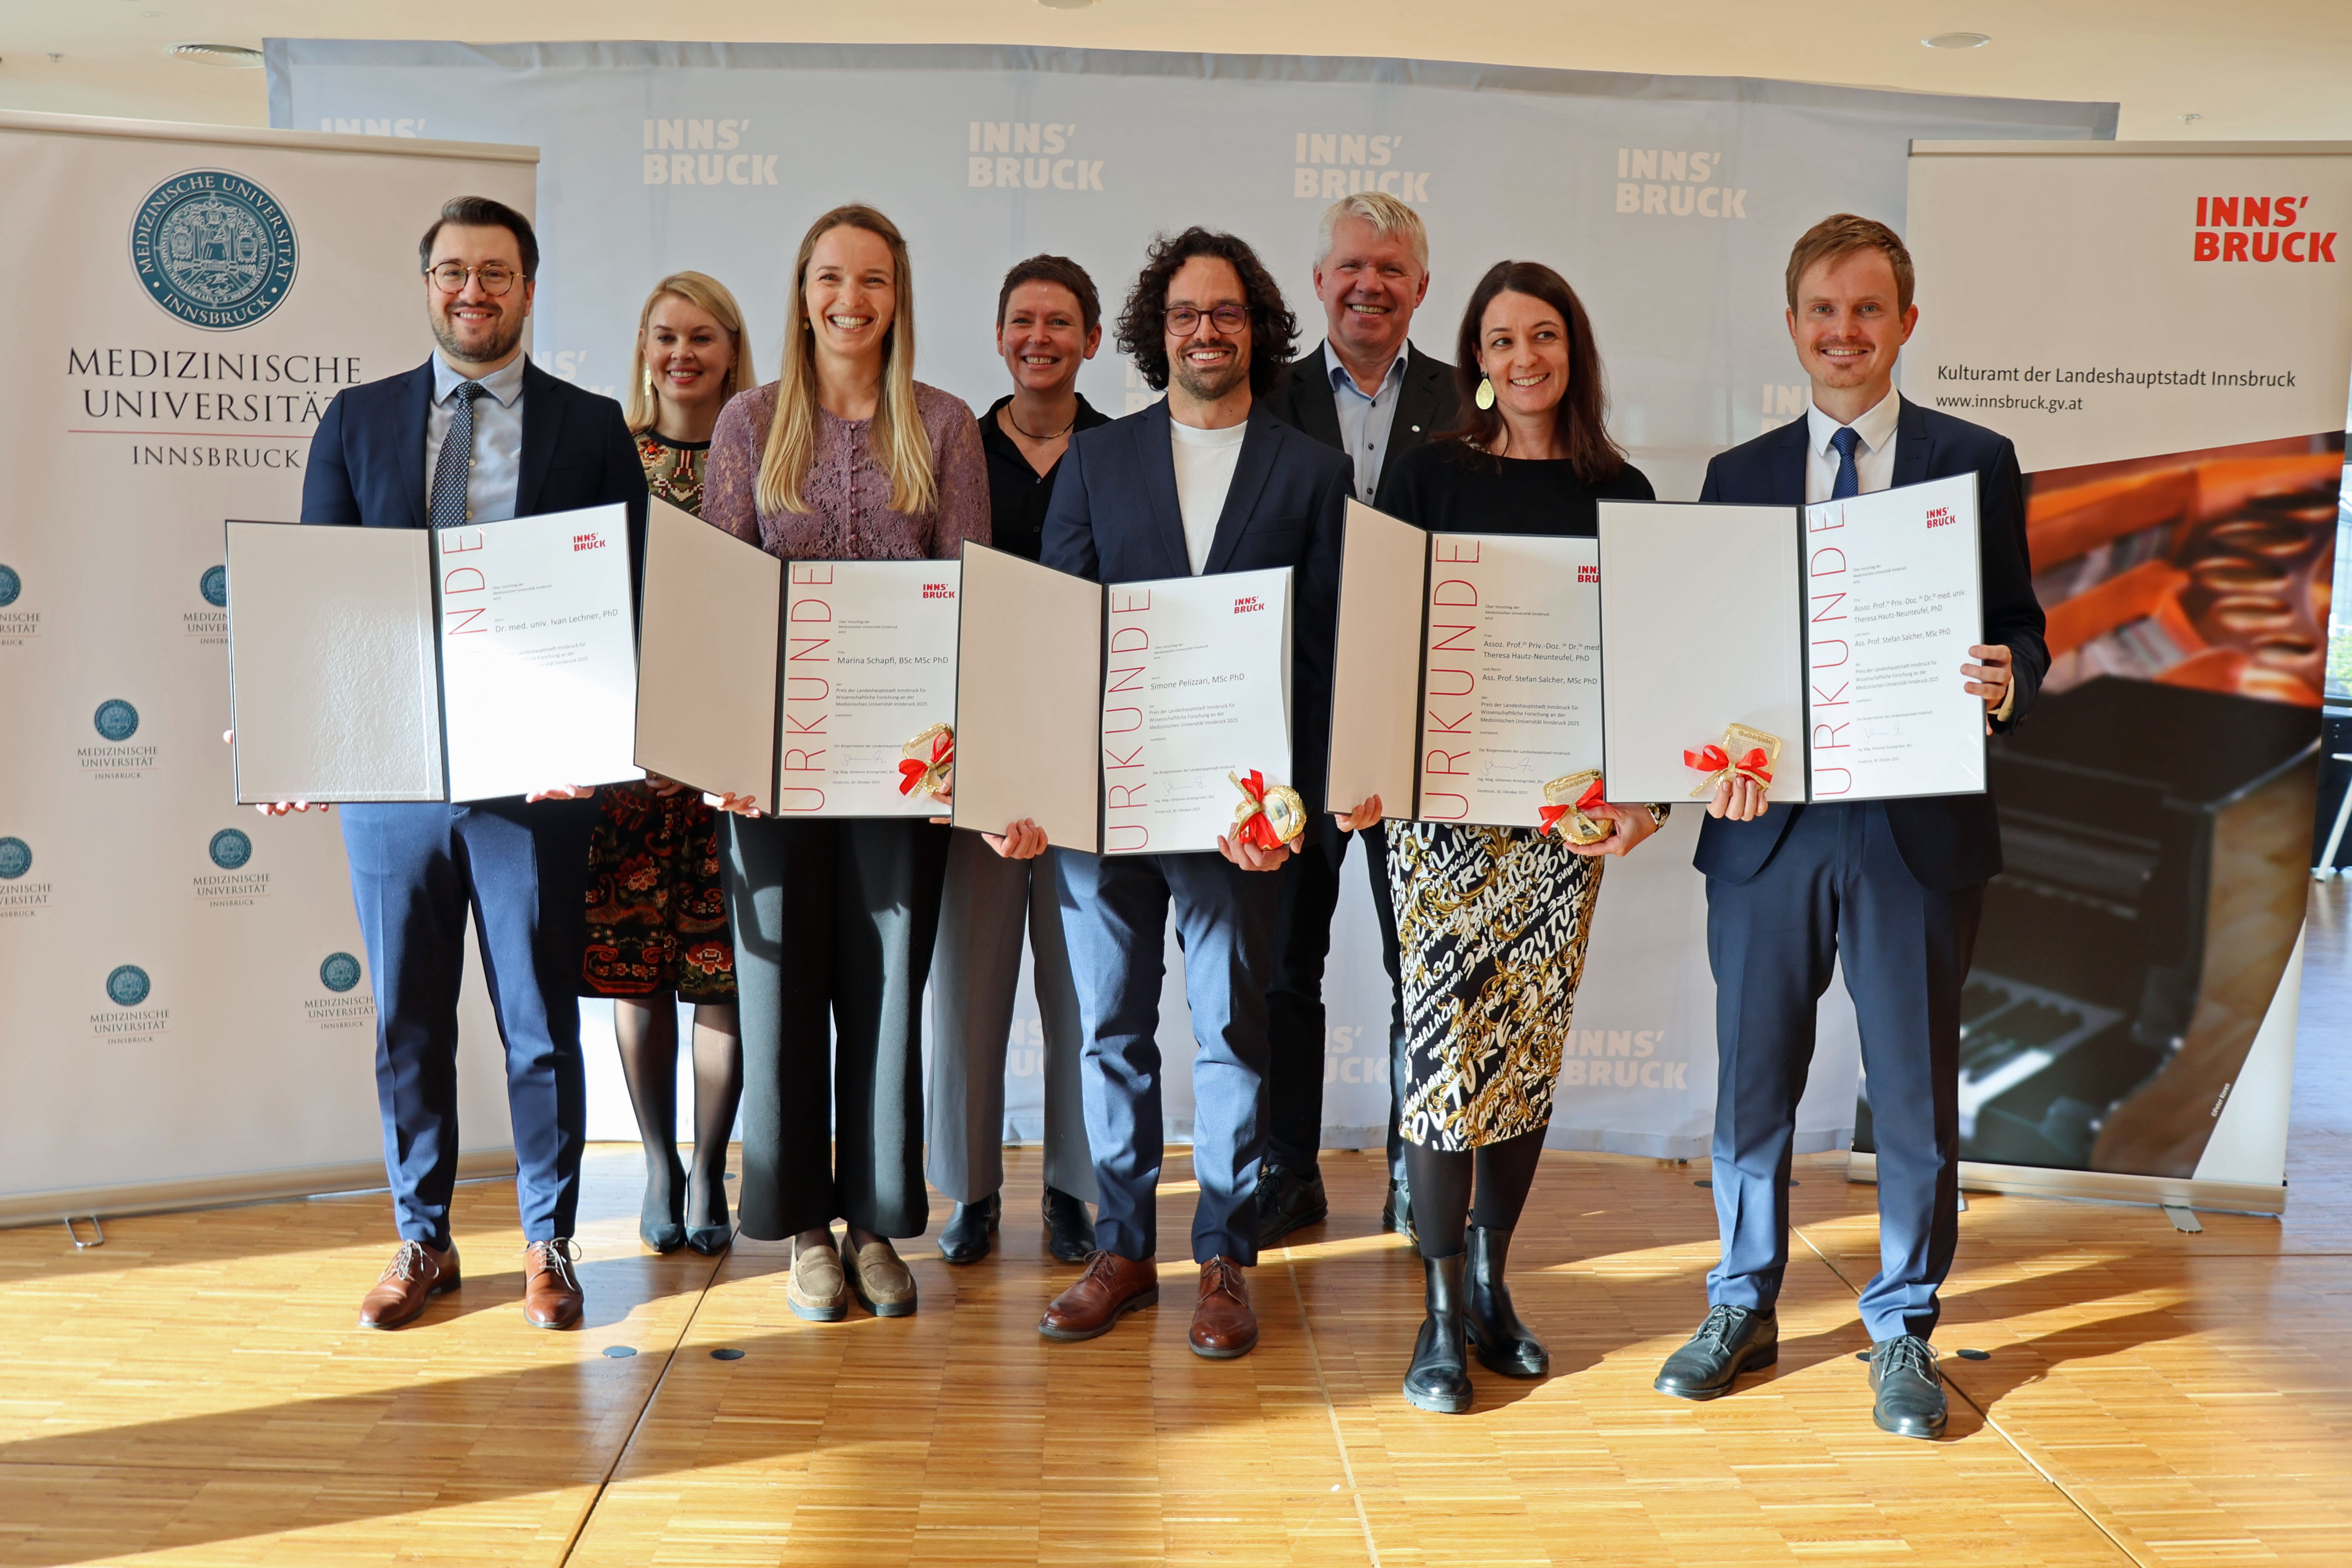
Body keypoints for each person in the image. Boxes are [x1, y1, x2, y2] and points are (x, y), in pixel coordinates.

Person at [1650, 214, 2047, 1440]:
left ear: (1906, 323)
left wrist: (2006, 680)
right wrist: (1701, 751)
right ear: (1790, 326)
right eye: (1822, 310)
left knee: (1914, 1095)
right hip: (1767, 832)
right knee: (1751, 1084)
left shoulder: (1974, 460)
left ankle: (1904, 1325)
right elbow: (1704, 653)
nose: (1844, 332)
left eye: (1868, 309)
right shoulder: (1739, 475)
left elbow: (2021, 628)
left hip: (1913, 832)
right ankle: (1740, 1302)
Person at [294, 196, 644, 1331]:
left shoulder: (592, 427)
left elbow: (628, 601)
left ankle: (550, 1242)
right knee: (408, 1020)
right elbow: (323, 599)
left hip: (537, 784)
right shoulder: (355, 420)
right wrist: (300, 727)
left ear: (529, 289)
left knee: (539, 1023)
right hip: (394, 776)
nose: (473, 291)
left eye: (496, 272)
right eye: (454, 271)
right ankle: (423, 1239)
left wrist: (597, 740)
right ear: (428, 284)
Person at [1332, 260, 1662, 1413]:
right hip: (1440, 819)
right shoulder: (1431, 474)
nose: (1526, 358)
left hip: (1562, 830)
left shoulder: (1622, 492)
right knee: (1443, 1062)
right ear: (1476, 358)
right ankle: (1436, 1311)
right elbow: (1381, 639)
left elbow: (1651, 667)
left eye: (1545, 336)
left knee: (1523, 1055)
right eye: (1504, 340)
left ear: (1574, 351)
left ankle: (1489, 1284)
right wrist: (1365, 769)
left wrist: (1649, 801)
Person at [1034, 228, 1350, 1360]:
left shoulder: (1312, 471)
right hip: (1109, 806)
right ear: (1155, 333)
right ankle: (1122, 1249)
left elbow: (1326, 656)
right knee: (1113, 1033)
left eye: (1224, 313)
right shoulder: (1095, 460)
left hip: (1242, 817)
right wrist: (1039, 785)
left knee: (1232, 1036)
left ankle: (1225, 1256)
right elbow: (1058, 635)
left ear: (1256, 328)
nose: (1204, 331)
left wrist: (1299, 806)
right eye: (1183, 314)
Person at [702, 204, 990, 1323]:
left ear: (898, 295)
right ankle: (803, 1233)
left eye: (872, 279)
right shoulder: (750, 421)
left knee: (885, 992)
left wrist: (965, 753)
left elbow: (970, 595)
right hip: (771, 772)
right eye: (831, 277)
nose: (850, 299)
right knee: (779, 998)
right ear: (803, 291)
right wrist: (724, 745)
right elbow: (723, 599)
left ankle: (874, 1224)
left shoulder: (945, 424)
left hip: (901, 775)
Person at [1258, 191, 1462, 1249]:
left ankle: (1414, 1172)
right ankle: (1288, 1172)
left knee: (1420, 962)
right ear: (1319, 281)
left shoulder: (1471, 400)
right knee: (1284, 961)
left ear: (1421, 287)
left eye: (1389, 269)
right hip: (1293, 723)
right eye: (1351, 267)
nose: (1368, 285)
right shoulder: (1265, 396)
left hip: (1425, 731)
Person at [927, 256, 1111, 1267]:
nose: (1040, 339)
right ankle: (972, 1189)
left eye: (1060, 323)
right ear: (999, 337)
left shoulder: (1125, 452)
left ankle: (1076, 1190)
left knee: (1085, 985)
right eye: (1023, 322)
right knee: (968, 981)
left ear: (1092, 340)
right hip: (980, 746)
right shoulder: (956, 445)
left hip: (1090, 750)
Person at [583, 271, 753, 1257]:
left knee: (722, 977)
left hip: (729, 764)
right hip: (625, 763)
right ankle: (658, 1164)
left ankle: (711, 1167)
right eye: (664, 337)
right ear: (644, 351)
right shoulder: (608, 455)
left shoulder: (762, 454)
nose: (681, 354)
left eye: (701, 337)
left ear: (732, 351)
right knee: (636, 973)